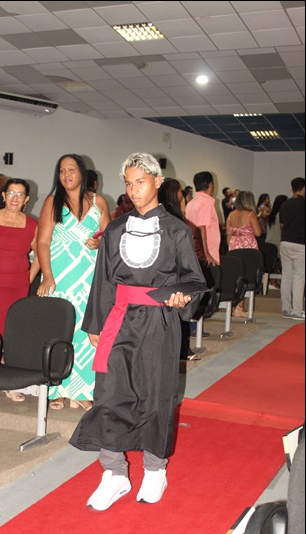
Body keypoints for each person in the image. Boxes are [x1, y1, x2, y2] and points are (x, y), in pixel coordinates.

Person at [70, 153, 206, 510]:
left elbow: (193, 280)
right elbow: (102, 280)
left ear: (157, 182)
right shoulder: (115, 229)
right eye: (128, 184)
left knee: (156, 394)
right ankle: (114, 473)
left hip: (159, 322)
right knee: (110, 394)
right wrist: (95, 325)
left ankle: (155, 470)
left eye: (140, 182)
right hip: (119, 319)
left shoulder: (177, 231)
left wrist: (181, 298)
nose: (133, 190)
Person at [37, 154, 111, 411]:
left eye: (71, 169)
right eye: (61, 171)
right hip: (60, 276)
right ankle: (56, 388)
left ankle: (81, 390)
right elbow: (42, 242)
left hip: (89, 276)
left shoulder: (99, 202)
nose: (66, 175)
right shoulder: (52, 201)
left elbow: (109, 238)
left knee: (87, 330)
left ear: (82, 172)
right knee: (60, 330)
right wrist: (47, 275)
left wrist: (99, 242)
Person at [0, 178, 39, 402]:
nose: (15, 198)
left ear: (26, 199)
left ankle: (9, 383)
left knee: (12, 334)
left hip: (17, 287)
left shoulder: (32, 224)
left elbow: (40, 255)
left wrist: (28, 279)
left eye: (20, 194)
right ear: (4, 196)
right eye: (11, 193)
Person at [158, 178, 202, 360]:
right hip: (173, 270)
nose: (182, 194)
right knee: (178, 309)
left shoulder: (170, 213)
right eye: (179, 191)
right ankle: (183, 349)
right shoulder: (172, 216)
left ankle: (184, 348)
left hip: (173, 270)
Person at [226, 190, 262, 318]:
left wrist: (231, 246)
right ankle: (239, 307)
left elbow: (228, 234)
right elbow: (258, 233)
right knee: (247, 277)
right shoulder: (251, 214)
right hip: (248, 249)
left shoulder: (231, 214)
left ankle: (234, 306)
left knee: (237, 277)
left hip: (234, 248)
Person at [279, 177, 305, 321]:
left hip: (285, 242)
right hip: (300, 244)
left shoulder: (285, 204)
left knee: (286, 276)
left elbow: (282, 225)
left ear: (292, 188)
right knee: (299, 277)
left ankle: (286, 309)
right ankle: (297, 311)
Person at [185, 171, 221, 270]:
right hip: (206, 255)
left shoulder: (191, 203)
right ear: (210, 185)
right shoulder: (206, 202)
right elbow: (201, 228)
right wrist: (207, 255)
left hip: (195, 251)